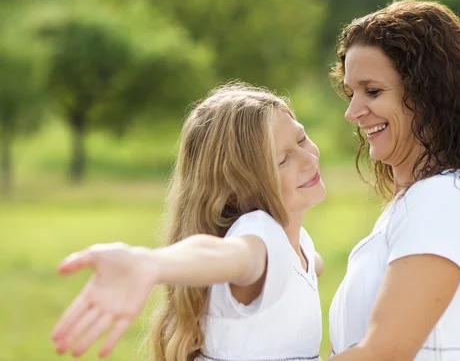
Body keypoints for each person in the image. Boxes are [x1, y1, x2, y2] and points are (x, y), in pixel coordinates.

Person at [50, 82, 326, 361]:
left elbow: (306, 266)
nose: (308, 159)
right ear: (239, 187)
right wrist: (151, 263)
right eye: (282, 160)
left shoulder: (297, 247)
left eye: (302, 139)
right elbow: (228, 255)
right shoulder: (262, 237)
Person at [327, 0, 460, 361]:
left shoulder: (442, 200)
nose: (352, 111)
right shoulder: (421, 200)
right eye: (351, 93)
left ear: (427, 95)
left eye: (372, 91)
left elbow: (385, 351)